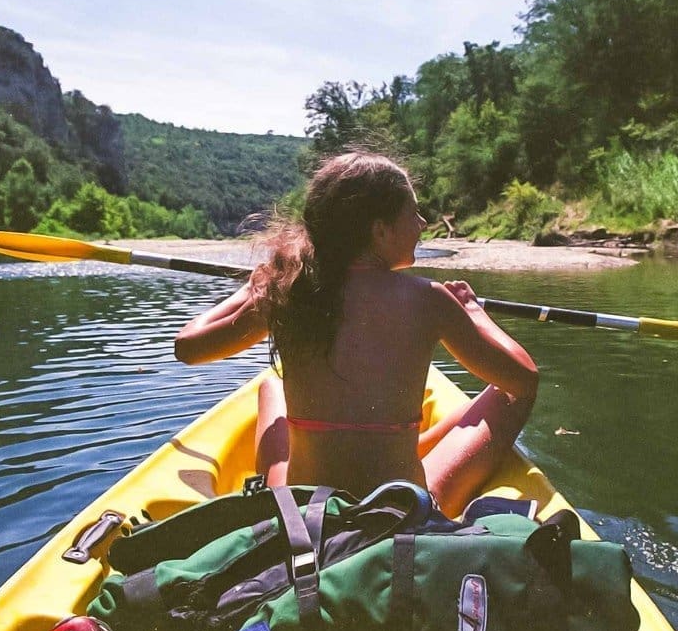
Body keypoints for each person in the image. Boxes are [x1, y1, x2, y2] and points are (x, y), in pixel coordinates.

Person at [174, 152, 538, 515]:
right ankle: (411, 447)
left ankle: (411, 445)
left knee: (271, 386)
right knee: (507, 396)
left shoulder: (288, 292)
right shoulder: (431, 300)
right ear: (379, 230)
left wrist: (255, 290)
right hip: (396, 511)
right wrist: (473, 311)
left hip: (308, 513)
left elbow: (188, 346)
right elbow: (524, 379)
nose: (423, 222)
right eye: (413, 213)